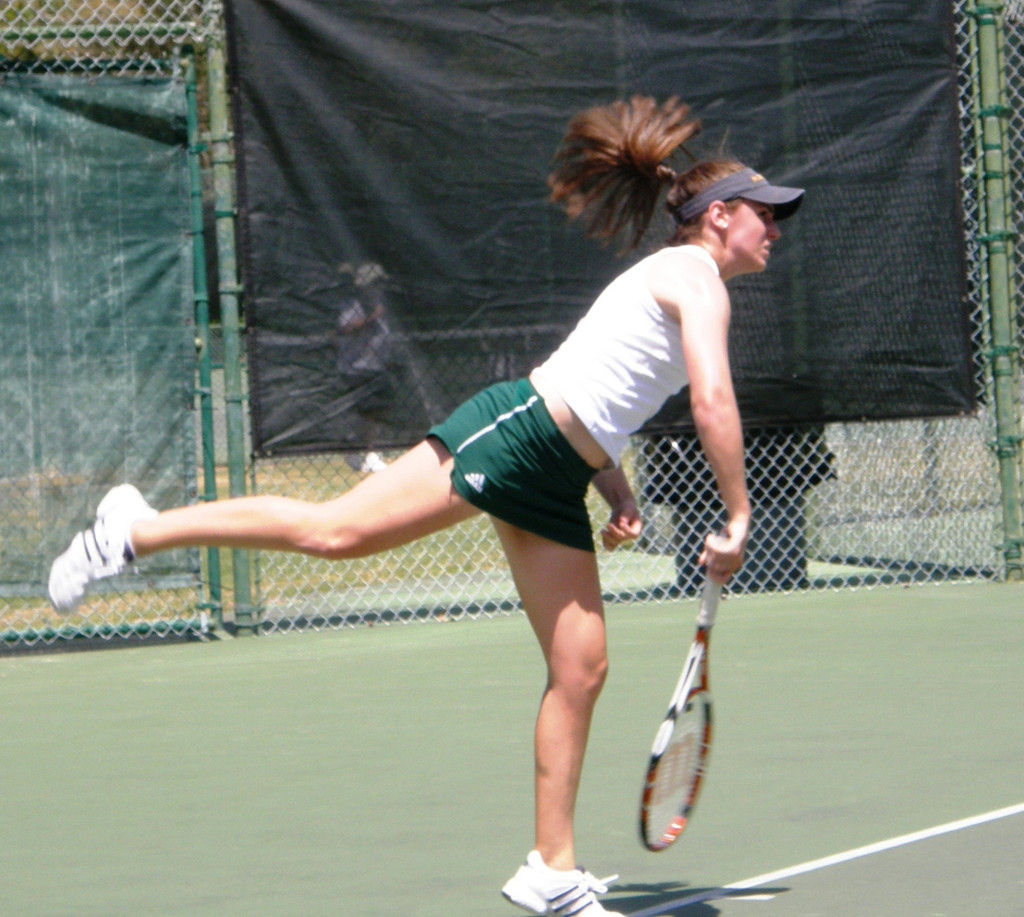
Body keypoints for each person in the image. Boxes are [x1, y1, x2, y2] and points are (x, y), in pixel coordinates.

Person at [48, 96, 803, 917]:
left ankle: (551, 870)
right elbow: (712, 400)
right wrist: (738, 514)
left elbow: (599, 382)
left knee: (582, 667)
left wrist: (611, 482)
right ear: (718, 216)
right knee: (335, 530)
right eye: (766, 214)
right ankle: (136, 528)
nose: (776, 228)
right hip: (515, 438)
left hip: (554, 470)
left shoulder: (681, 280)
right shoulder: (697, 279)